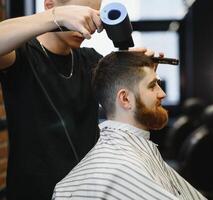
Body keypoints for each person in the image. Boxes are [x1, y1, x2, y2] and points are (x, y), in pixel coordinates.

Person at [0, 0, 156, 199]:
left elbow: (128, 104)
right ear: (49, 5)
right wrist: (56, 16)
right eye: (81, 16)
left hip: (87, 192)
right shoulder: (22, 55)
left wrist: (142, 78)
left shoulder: (91, 61)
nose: (85, 29)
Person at [52, 51, 207, 200]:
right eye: (152, 85)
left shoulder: (126, 153)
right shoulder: (122, 168)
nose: (162, 93)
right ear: (125, 99)